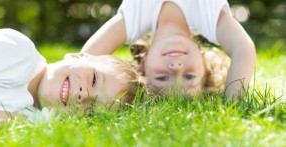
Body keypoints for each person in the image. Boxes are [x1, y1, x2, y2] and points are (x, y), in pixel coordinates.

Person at [80, 0, 256, 99]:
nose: (177, 67)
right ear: (204, 61)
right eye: (190, 76)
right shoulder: (206, 15)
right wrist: (233, 103)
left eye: (162, 77)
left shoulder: (136, 18)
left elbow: (84, 59)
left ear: (143, 62)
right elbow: (244, 50)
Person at [0, 28, 145, 125]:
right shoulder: (20, 55)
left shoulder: (33, 116)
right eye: (94, 80)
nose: (84, 95)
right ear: (77, 57)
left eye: (90, 110)